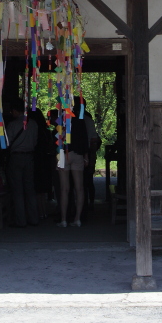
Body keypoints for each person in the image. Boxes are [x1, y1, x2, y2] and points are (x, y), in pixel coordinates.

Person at [56, 97, 98, 227]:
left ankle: (63, 219)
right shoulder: (81, 120)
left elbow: (57, 138)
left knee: (64, 189)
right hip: (78, 154)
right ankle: (77, 219)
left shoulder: (62, 119)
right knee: (79, 188)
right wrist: (86, 156)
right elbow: (85, 139)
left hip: (64, 154)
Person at [4, 102, 39, 227]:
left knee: (17, 189)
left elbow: (6, 142)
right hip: (29, 157)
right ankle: (34, 218)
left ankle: (21, 220)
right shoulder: (33, 124)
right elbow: (35, 141)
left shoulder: (13, 125)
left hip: (16, 157)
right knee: (30, 189)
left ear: (16, 110)